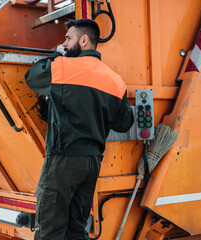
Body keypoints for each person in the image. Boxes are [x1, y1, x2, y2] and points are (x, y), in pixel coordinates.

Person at [25, 19, 134, 239]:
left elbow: (33, 77)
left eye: (68, 38)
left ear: (83, 40)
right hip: (92, 163)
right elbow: (125, 123)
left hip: (63, 161)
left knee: (50, 231)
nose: (64, 43)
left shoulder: (63, 67)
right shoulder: (116, 81)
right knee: (76, 230)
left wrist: (56, 55)